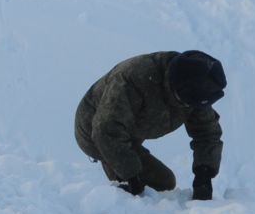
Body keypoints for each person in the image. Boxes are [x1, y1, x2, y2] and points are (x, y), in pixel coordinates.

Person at [74, 51, 225, 198]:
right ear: (177, 89)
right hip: (94, 131)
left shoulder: (197, 84)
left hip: (128, 128)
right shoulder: (133, 79)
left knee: (164, 183)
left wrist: (204, 173)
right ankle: (110, 202)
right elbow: (105, 129)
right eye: (186, 103)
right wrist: (131, 175)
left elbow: (207, 132)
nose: (190, 107)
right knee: (152, 186)